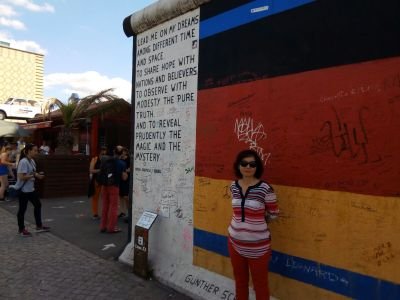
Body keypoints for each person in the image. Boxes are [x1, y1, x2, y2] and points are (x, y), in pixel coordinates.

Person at [228, 149, 279, 300]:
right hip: (234, 243)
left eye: (252, 164)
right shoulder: (233, 186)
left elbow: (274, 214)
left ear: (257, 167)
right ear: (238, 166)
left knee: (260, 285)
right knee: (240, 282)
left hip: (258, 247)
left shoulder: (265, 189)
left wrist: (257, 223)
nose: (248, 167)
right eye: (244, 163)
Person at [15, 143, 49, 237]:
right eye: (35, 150)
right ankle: (21, 229)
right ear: (29, 151)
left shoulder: (32, 161)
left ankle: (39, 226)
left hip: (30, 189)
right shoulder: (23, 162)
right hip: (23, 190)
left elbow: (33, 172)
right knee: (22, 210)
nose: (36, 152)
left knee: (38, 205)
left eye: (36, 150)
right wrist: (34, 175)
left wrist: (38, 175)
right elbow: (21, 177)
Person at [98, 146, 127, 233]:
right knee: (113, 208)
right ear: (122, 153)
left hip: (105, 185)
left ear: (113, 152)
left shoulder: (106, 160)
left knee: (105, 206)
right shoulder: (122, 163)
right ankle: (111, 227)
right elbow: (124, 177)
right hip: (114, 186)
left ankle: (103, 226)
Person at [88, 146, 107, 219]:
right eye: (102, 152)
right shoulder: (95, 159)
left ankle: (103, 213)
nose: (103, 154)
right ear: (100, 153)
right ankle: (95, 213)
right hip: (96, 180)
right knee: (95, 197)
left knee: (104, 198)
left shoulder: (106, 160)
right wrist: (100, 170)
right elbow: (91, 170)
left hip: (104, 181)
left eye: (105, 152)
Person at [118, 147, 130, 219]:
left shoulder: (129, 159)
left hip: (127, 179)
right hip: (120, 179)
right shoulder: (120, 159)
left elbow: (129, 169)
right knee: (120, 196)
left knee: (126, 197)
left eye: (123, 151)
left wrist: (125, 170)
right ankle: (122, 212)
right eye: (121, 152)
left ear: (125, 152)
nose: (122, 153)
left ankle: (128, 212)